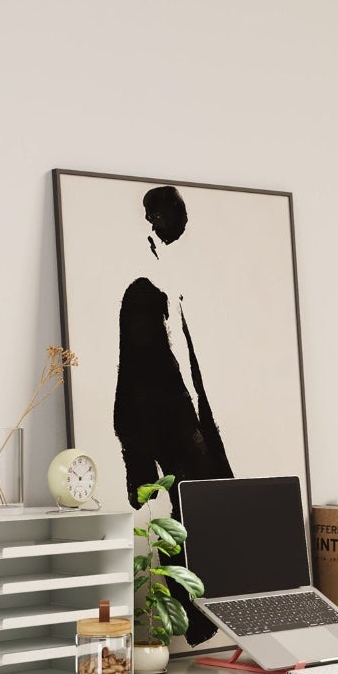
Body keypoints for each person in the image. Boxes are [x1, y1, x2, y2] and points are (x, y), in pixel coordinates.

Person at [113, 185, 232, 643]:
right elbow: (138, 377)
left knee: (203, 515)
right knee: (184, 522)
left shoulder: (173, 290)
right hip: (168, 428)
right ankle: (198, 624)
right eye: (161, 219)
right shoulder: (142, 292)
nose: (163, 228)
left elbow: (187, 367)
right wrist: (140, 454)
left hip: (189, 422)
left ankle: (208, 622)